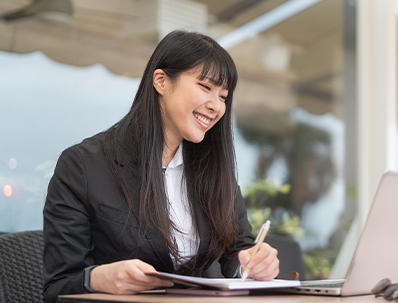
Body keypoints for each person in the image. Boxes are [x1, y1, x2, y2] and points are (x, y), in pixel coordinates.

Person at [43, 30, 279, 303]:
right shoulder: (82, 166)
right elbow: (56, 289)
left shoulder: (213, 170)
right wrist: (97, 278)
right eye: (205, 87)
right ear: (161, 81)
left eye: (224, 97)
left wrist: (252, 263)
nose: (216, 106)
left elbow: (238, 248)